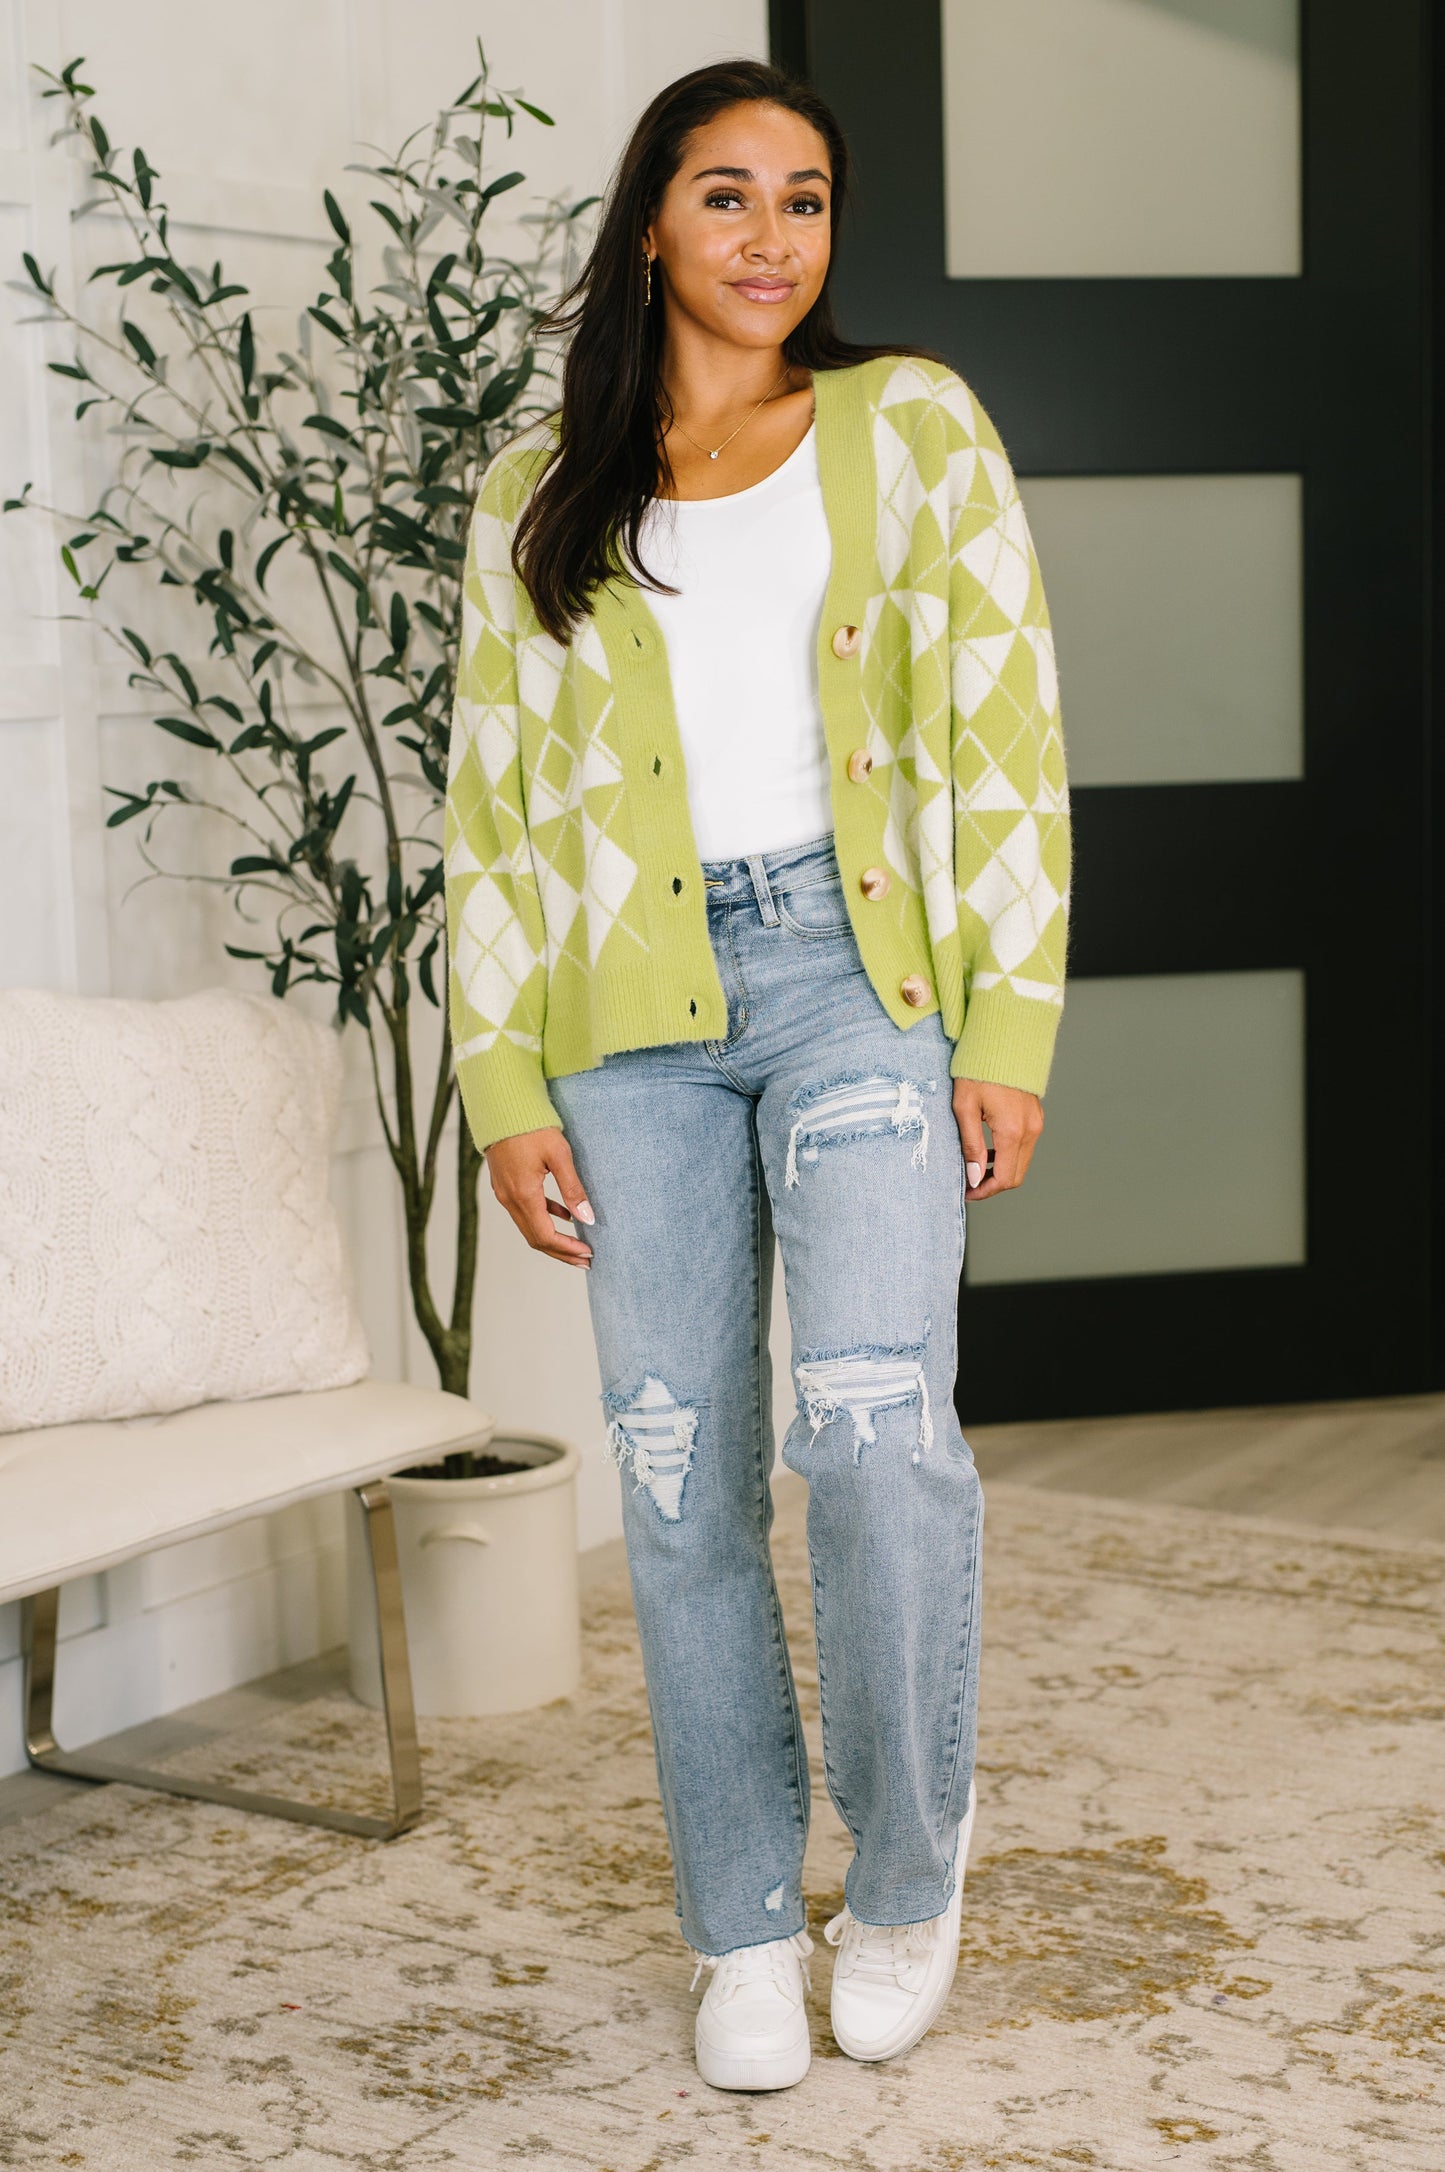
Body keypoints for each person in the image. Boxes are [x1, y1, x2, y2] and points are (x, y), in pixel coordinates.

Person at [443, 56, 1069, 2092]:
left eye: (804, 199)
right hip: (623, 1018)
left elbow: (1005, 734)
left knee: (878, 1442)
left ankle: (904, 1871)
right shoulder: (544, 486)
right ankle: (738, 1919)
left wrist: (1010, 1021)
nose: (771, 237)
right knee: (674, 1470)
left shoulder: (914, 428)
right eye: (727, 196)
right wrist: (503, 1082)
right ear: (650, 223)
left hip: (855, 975)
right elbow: (493, 813)